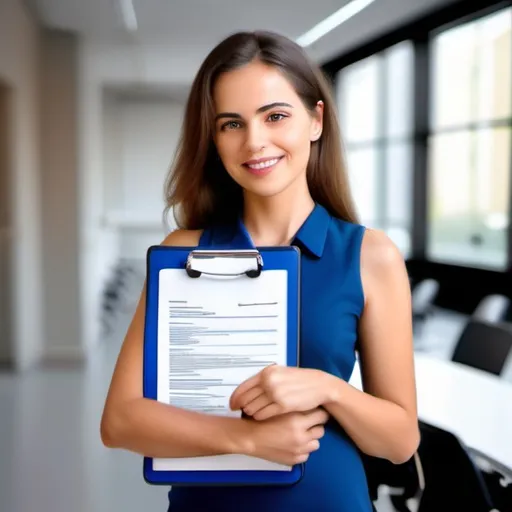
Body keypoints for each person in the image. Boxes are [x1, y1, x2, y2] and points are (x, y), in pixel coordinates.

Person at [100, 30, 420, 511]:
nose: (255, 142)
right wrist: (246, 439)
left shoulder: (371, 256)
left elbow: (399, 442)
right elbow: (120, 421)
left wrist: (328, 388)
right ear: (213, 137)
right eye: (231, 124)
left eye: (275, 116)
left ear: (315, 120)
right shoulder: (181, 253)